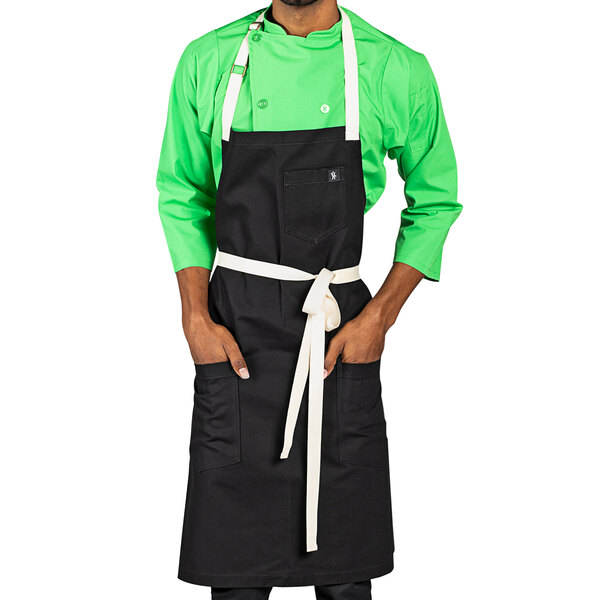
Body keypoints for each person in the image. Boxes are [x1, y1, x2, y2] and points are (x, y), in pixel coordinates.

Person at [157, 1, 461, 598]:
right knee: (235, 576)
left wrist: (379, 319)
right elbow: (182, 192)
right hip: (235, 330)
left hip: (337, 333)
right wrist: (194, 314)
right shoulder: (208, 60)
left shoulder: (394, 67)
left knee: (344, 576)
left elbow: (436, 200)